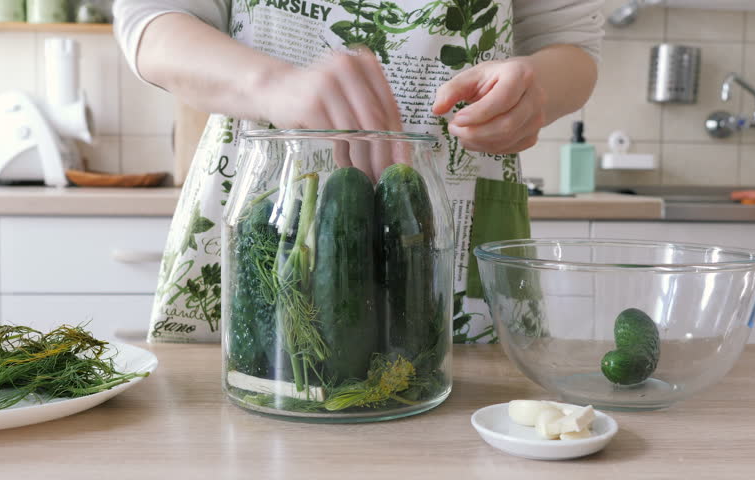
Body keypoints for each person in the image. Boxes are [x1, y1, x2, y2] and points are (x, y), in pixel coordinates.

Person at [114, 0, 604, 343]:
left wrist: (533, 88)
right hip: (268, 200)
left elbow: (573, 49)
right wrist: (272, 85)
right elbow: (149, 22)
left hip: (451, 207)